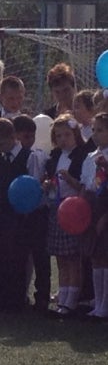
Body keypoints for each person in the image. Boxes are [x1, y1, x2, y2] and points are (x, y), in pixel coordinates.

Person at [0, 118, 45, 312]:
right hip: (0, 211)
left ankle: (17, 298)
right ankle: (0, 297)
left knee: (18, 255)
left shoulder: (29, 156)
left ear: (13, 137)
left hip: (20, 214)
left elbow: (33, 184)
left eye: (2, 143)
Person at [44, 114, 88, 316]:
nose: (63, 139)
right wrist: (48, 184)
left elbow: (83, 185)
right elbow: (50, 179)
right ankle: (62, 297)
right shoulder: (54, 156)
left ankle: (72, 300)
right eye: (59, 136)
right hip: (57, 207)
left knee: (72, 258)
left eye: (67, 135)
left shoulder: (81, 156)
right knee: (61, 257)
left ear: (75, 135)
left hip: (73, 209)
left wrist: (69, 179)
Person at [13, 114, 51, 311]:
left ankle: (42, 296)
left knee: (40, 255)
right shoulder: (11, 155)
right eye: (24, 137)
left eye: (31, 136)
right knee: (20, 255)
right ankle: (19, 293)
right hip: (19, 212)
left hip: (38, 211)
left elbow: (38, 181)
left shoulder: (38, 155)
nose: (28, 141)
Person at [80, 112, 108, 319]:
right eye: (94, 130)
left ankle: (105, 304)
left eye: (101, 130)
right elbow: (86, 185)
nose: (96, 134)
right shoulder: (90, 157)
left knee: (105, 257)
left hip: (104, 207)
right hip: (92, 207)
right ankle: (98, 303)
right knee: (96, 257)